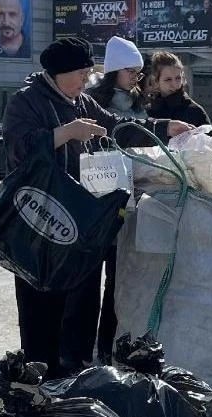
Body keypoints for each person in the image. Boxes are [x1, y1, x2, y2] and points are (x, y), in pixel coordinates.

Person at [2, 37, 193, 379]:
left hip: (75, 215)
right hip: (38, 217)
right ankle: (38, 376)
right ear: (60, 72)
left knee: (74, 297)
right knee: (39, 302)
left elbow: (117, 127)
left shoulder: (81, 102)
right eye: (81, 73)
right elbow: (20, 149)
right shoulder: (26, 101)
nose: (86, 79)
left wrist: (163, 127)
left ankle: (68, 370)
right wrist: (65, 133)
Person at [86, 36, 147, 365]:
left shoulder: (139, 104)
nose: (136, 78)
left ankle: (107, 345)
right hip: (98, 196)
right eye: (131, 72)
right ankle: (82, 348)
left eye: (139, 72)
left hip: (129, 196)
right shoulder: (95, 103)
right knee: (87, 279)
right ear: (114, 72)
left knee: (117, 279)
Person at [145, 52, 212, 128]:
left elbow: (210, 135)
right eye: (168, 79)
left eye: (178, 78)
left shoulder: (194, 112)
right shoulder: (146, 112)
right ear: (156, 81)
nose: (175, 84)